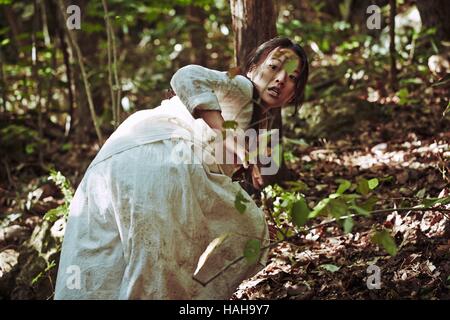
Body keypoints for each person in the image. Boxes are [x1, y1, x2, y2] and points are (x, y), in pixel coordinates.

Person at [54, 37, 309, 299]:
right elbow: (186, 76)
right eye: (274, 67)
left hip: (118, 159)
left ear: (294, 93)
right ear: (253, 68)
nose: (280, 79)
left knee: (107, 262)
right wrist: (226, 134)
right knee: (164, 266)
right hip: (161, 156)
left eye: (292, 77)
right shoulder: (242, 87)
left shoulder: (259, 121)